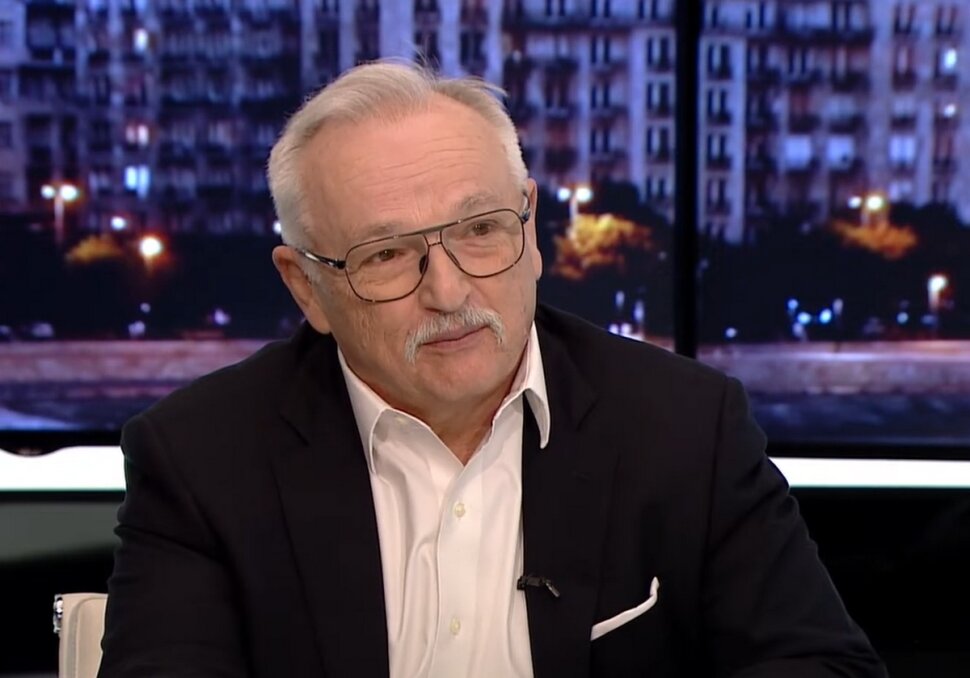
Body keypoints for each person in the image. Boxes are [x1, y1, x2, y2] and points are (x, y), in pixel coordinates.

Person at [98, 61, 885, 678]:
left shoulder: (687, 428)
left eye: (480, 230)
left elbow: (820, 664)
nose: (448, 292)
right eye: (387, 254)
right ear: (306, 286)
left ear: (531, 230)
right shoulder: (201, 459)